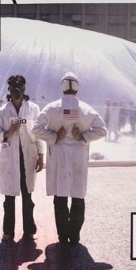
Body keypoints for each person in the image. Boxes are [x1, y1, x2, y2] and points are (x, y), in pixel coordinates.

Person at [33, 71, 107, 246]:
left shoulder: (51, 108)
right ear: (78, 88)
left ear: (62, 87)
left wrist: (54, 136)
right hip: (78, 158)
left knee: (60, 197)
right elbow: (102, 130)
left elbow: (36, 129)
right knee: (78, 196)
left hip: (58, 158)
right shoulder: (86, 109)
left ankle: (63, 236)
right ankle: (74, 235)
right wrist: (82, 136)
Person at [0, 74, 45, 241]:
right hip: (10, 159)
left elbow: (39, 133)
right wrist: (8, 132)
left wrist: (41, 155)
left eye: (20, 87)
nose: (17, 90)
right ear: (9, 89)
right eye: (14, 87)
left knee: (27, 197)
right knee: (9, 198)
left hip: (27, 158)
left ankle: (29, 230)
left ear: (24, 88)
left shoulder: (33, 109)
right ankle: (8, 232)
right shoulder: (2, 111)